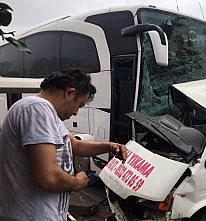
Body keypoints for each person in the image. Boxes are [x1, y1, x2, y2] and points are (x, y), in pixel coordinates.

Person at [0, 70, 127, 221]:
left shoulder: (49, 114)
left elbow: (76, 146)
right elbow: (49, 177)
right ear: (69, 93)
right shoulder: (36, 109)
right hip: (30, 215)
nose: (75, 113)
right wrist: (76, 182)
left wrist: (110, 146)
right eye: (79, 105)